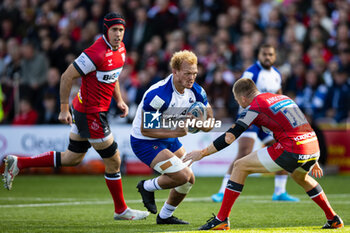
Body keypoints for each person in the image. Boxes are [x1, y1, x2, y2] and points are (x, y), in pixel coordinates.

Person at [2, 12, 149, 221]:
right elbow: (67, 76)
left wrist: (119, 100)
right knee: (114, 160)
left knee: (72, 158)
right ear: (106, 30)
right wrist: (63, 109)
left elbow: (113, 75)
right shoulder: (95, 52)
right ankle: (121, 210)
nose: (118, 34)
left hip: (89, 110)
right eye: (114, 29)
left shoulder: (122, 50)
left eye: (121, 30)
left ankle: (19, 163)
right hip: (90, 113)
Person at [184, 78, 344, 230]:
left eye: (237, 99)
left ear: (243, 97)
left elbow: (229, 137)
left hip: (293, 148)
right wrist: (312, 157)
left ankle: (221, 220)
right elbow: (300, 124)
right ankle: (333, 218)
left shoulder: (255, 107)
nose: (238, 103)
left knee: (239, 166)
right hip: (312, 146)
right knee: (300, 177)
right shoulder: (283, 97)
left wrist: (203, 153)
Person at [130, 50, 214, 224]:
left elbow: (210, 122)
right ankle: (146, 187)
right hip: (144, 142)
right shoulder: (159, 95)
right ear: (175, 71)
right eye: (187, 73)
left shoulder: (197, 91)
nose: (192, 77)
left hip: (169, 138)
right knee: (181, 175)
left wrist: (200, 124)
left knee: (189, 179)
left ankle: (165, 216)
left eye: (195, 73)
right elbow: (146, 130)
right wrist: (178, 131)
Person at [211, 44, 299, 202]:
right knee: (244, 152)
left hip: (268, 121)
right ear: (259, 55)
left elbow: (278, 95)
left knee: (285, 149)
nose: (267, 57)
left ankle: (280, 191)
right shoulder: (251, 72)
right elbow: (241, 94)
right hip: (251, 118)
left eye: (270, 54)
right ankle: (222, 191)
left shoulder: (277, 74)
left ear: (274, 56)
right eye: (264, 54)